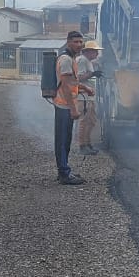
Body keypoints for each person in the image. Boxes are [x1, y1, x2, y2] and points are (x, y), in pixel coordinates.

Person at [53, 31, 93, 185]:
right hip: (64, 106)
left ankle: (64, 170)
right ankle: (64, 174)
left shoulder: (72, 59)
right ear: (68, 42)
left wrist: (85, 88)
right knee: (62, 141)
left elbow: (73, 82)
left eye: (80, 42)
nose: (79, 45)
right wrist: (73, 109)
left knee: (66, 140)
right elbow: (66, 86)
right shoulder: (65, 60)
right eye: (75, 42)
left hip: (66, 105)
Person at [76, 40, 103, 155]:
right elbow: (79, 78)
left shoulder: (88, 61)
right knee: (84, 121)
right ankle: (82, 146)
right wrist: (93, 74)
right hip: (83, 96)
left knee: (91, 121)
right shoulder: (82, 60)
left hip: (89, 97)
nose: (97, 54)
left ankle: (88, 143)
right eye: (95, 51)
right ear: (88, 51)